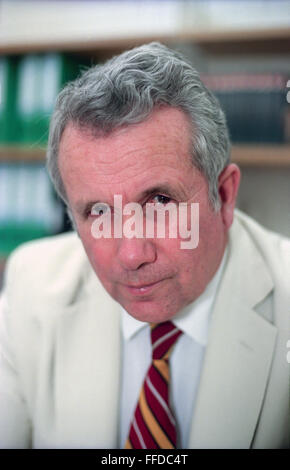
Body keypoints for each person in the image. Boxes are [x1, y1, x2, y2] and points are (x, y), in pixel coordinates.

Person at [0, 42, 289, 449]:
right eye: (99, 211)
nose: (132, 255)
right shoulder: (32, 284)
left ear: (223, 196)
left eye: (159, 202)